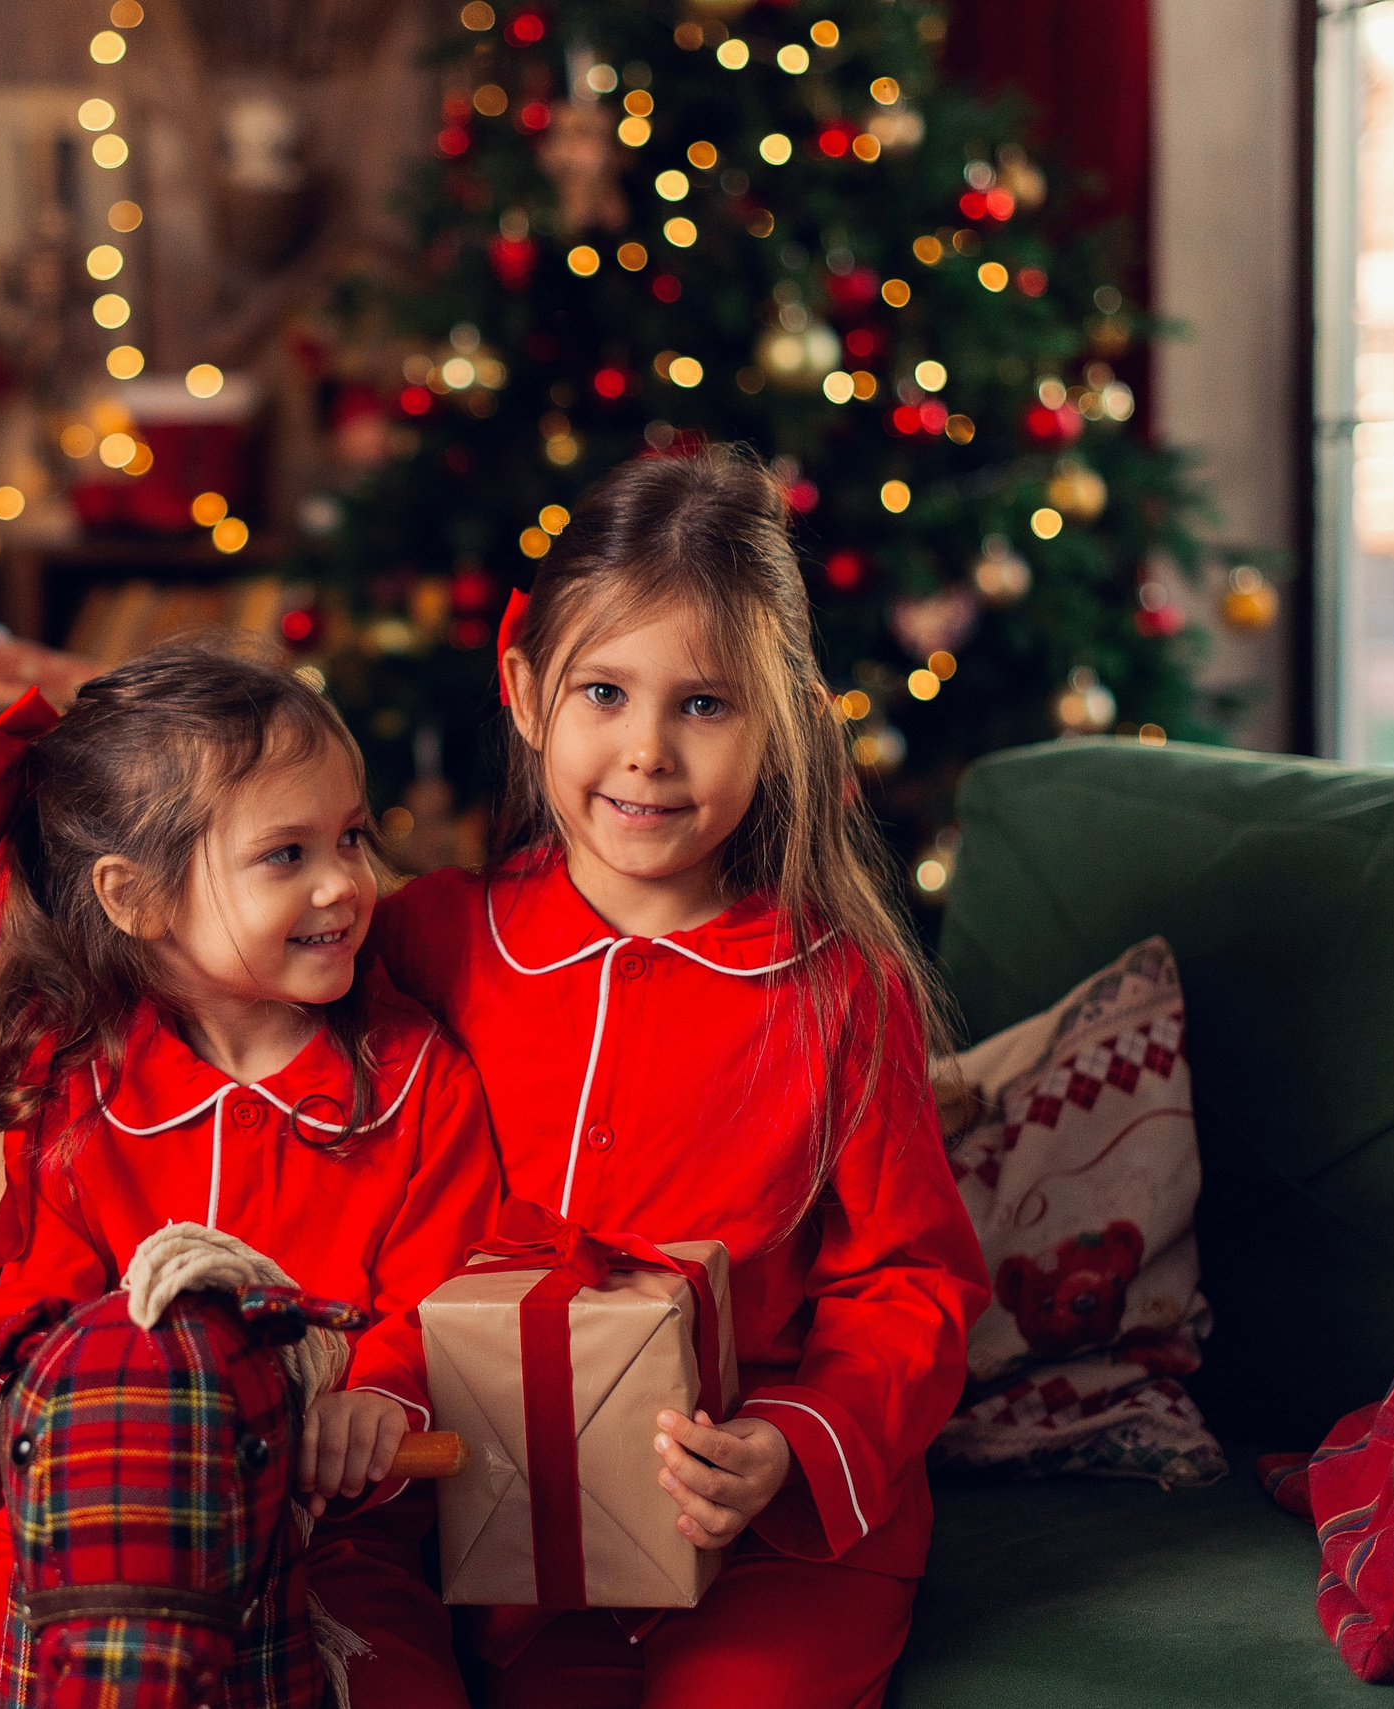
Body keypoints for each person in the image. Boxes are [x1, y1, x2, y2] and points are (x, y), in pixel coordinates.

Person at [373, 448, 988, 1709]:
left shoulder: (838, 983)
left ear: (781, 721)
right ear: (525, 689)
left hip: (780, 1540)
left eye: (703, 704)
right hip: (517, 1532)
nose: (645, 751)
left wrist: (783, 1444)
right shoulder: (432, 943)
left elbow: (911, 1280)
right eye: (604, 690)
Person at [0, 640, 503, 1709]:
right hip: (83, 1518)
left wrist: (380, 1397)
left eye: (350, 837)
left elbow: (446, 1292)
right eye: (285, 853)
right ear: (135, 896)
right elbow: (31, 1292)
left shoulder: (415, 1080)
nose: (343, 883)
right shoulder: (77, 1090)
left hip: (329, 1525)